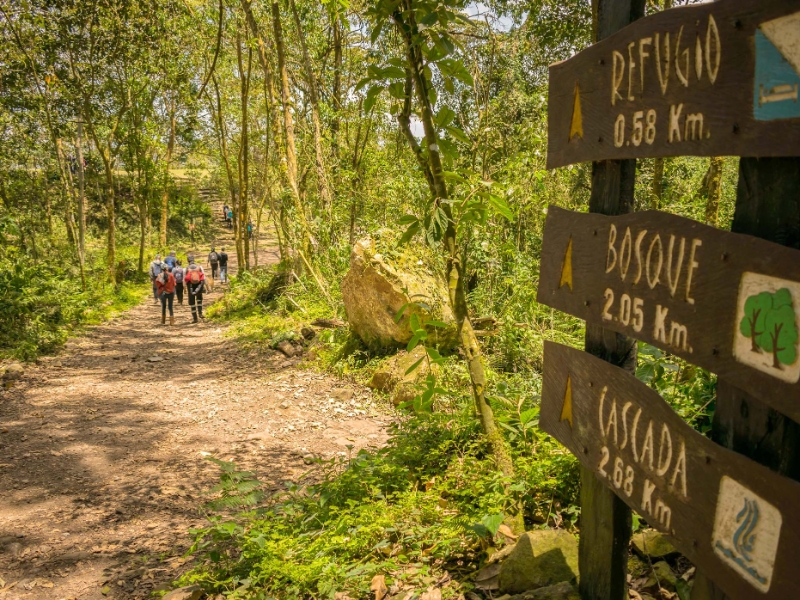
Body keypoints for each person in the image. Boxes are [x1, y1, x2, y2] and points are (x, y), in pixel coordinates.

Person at [185, 255, 206, 323]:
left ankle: (195, 318)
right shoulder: (199, 267)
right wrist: (204, 286)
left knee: (192, 303)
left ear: (188, 261)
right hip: (199, 285)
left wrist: (185, 287)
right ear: (194, 260)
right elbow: (203, 277)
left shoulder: (187, 268)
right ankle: (200, 313)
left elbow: (185, 279)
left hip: (190, 286)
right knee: (199, 300)